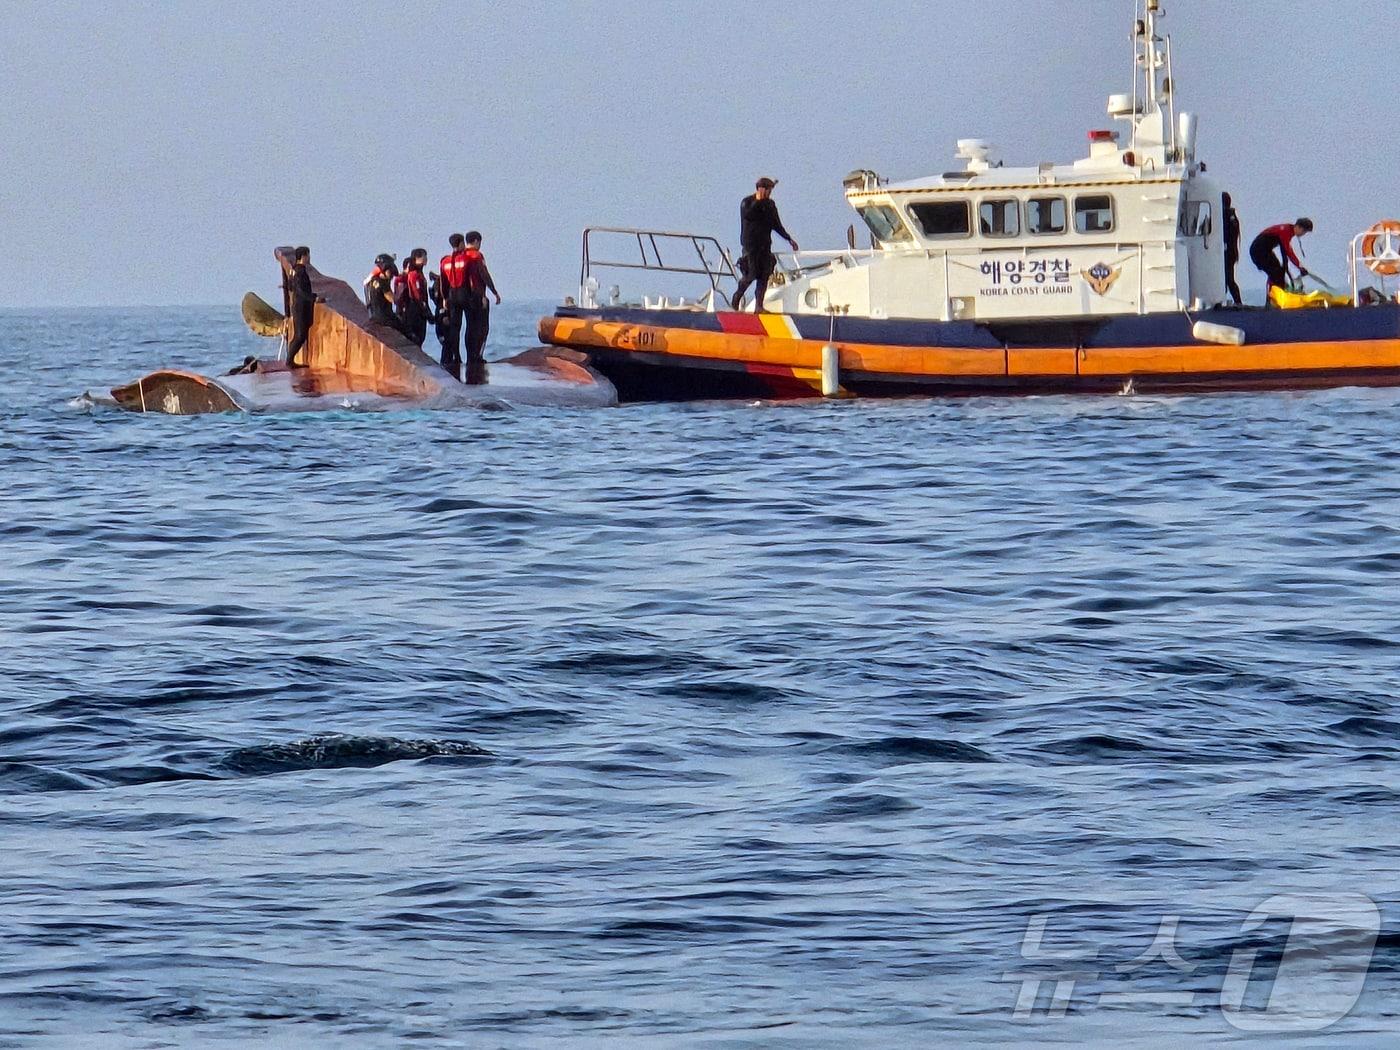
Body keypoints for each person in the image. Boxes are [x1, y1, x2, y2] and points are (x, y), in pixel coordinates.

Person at [730, 177, 799, 313]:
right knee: (752, 274)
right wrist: (758, 201)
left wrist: (789, 239)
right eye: (768, 190)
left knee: (764, 275)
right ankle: (737, 296)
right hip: (751, 246)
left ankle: (759, 306)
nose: (769, 193)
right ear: (761, 189)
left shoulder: (770, 205)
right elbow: (748, 215)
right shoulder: (747, 202)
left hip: (764, 244)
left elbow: (776, 224)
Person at [461, 231, 501, 385]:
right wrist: (494, 292)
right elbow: (484, 275)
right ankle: (477, 356)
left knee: (470, 327)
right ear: (477, 241)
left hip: (465, 297)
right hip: (478, 296)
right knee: (482, 327)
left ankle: (470, 356)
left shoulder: (461, 256)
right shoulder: (477, 256)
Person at [1250, 218, 1313, 301]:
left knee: (1278, 272)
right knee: (1276, 273)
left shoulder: (1288, 230)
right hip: (1258, 251)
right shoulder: (1285, 231)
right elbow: (1288, 252)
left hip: (1264, 250)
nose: (1303, 234)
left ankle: (1273, 298)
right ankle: (1273, 299)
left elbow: (1285, 252)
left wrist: (1297, 267)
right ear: (1298, 227)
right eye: (1304, 231)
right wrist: (1300, 267)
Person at [439, 233, 471, 380]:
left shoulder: (444, 261)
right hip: (464, 294)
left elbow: (443, 283)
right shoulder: (465, 259)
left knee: (454, 327)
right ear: (461, 243)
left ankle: (456, 356)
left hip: (451, 295)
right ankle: (472, 356)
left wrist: (444, 298)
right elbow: (470, 278)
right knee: (471, 325)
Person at [285, 246, 321, 367]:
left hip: (296, 304)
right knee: (300, 335)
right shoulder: (301, 271)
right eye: (308, 255)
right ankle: (289, 361)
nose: (309, 258)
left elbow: (290, 287)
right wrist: (313, 298)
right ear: (304, 256)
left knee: (299, 334)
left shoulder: (294, 270)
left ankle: (290, 360)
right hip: (301, 305)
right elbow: (301, 290)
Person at [394, 248, 432, 347]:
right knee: (417, 336)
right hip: (414, 309)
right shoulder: (414, 275)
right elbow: (417, 293)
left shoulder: (418, 273)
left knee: (419, 337)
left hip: (416, 308)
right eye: (424, 256)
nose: (426, 259)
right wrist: (425, 310)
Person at [365, 253, 409, 336]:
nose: (392, 275)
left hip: (375, 315)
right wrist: (399, 290)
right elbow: (392, 299)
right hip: (384, 317)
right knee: (406, 331)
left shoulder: (374, 280)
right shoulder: (383, 283)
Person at [1222, 193, 1243, 306]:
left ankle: (1237, 302)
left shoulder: (1224, 215)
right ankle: (1237, 301)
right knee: (1229, 278)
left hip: (1226, 252)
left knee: (1228, 279)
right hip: (1232, 251)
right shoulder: (1232, 216)